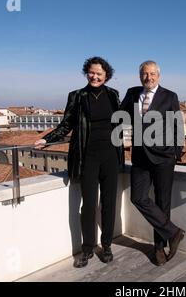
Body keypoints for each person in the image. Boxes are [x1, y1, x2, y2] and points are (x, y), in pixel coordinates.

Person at [34, 56, 123, 268]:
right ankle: (88, 248)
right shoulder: (77, 96)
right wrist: (47, 139)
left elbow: (122, 121)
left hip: (111, 155)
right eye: (91, 72)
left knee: (109, 204)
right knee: (89, 205)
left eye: (99, 73)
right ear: (87, 73)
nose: (95, 76)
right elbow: (66, 124)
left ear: (106, 76)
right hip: (87, 157)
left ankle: (107, 245)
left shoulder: (113, 95)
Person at [120, 60, 185, 266]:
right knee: (138, 197)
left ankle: (159, 247)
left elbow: (178, 126)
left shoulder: (169, 96)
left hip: (164, 158)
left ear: (158, 75)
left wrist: (176, 153)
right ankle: (173, 233)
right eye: (144, 74)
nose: (148, 77)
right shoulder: (132, 93)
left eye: (152, 74)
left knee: (162, 202)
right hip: (139, 157)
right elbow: (119, 117)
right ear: (140, 76)